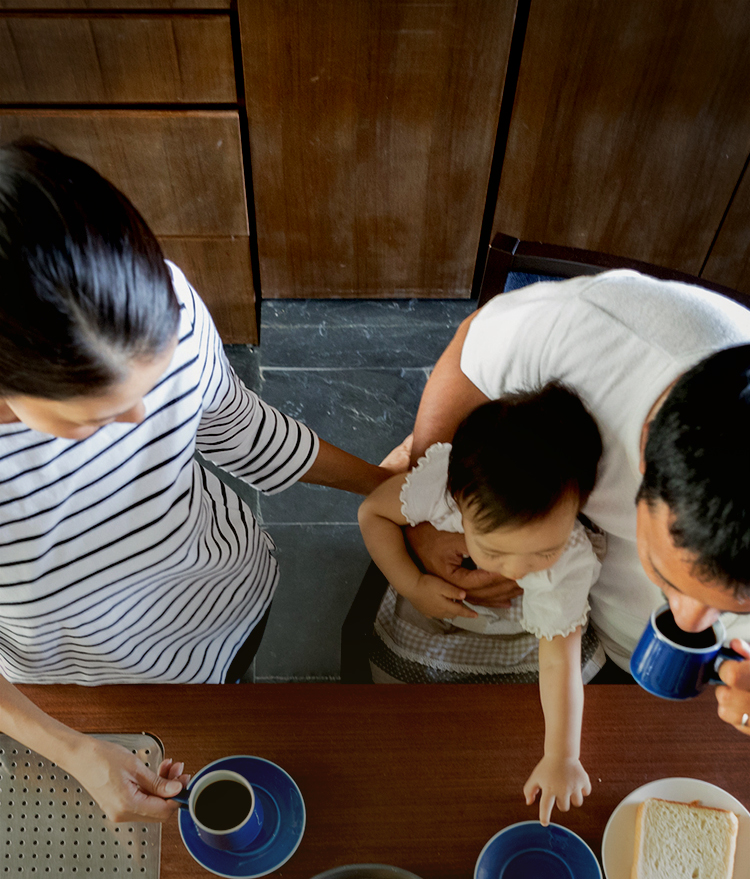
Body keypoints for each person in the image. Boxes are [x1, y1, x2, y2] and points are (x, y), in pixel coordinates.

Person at [0, 140, 391, 822]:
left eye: (150, 384)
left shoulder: (167, 302)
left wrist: (392, 486)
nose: (141, 420)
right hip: (81, 678)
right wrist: (74, 750)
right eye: (93, 418)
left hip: (223, 609)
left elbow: (237, 429)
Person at [390, 271, 750, 732]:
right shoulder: (588, 337)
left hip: (692, 694)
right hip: (587, 641)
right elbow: (468, 356)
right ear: (644, 446)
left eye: (735, 605)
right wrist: (430, 517)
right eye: (664, 576)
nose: (689, 622)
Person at [359, 386, 603, 823]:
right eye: (495, 551)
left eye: (544, 552)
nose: (519, 571)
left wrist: (562, 756)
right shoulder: (439, 489)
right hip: (436, 597)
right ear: (458, 501)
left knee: (532, 700)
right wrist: (413, 584)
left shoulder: (570, 561)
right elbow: (372, 514)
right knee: (401, 703)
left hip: (527, 627)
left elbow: (558, 663)